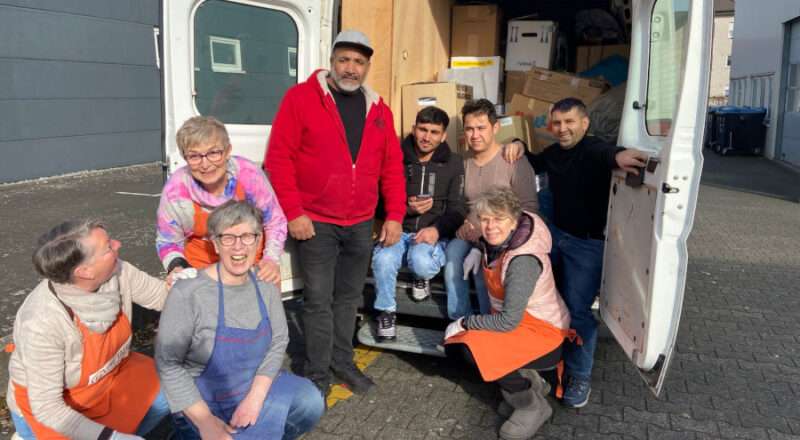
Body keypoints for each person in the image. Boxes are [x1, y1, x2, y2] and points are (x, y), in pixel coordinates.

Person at [265, 30, 405, 397]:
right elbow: (278, 160)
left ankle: (343, 362)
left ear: (367, 67)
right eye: (344, 59)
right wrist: (294, 212)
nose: (351, 68)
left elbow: (392, 166)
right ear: (332, 61)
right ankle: (316, 373)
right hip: (317, 221)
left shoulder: (379, 109)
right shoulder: (301, 99)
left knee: (348, 298)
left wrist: (394, 215)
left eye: (359, 62)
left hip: (360, 222)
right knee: (317, 300)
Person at [155, 200, 324, 440]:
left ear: (258, 241)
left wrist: (255, 399)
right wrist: (205, 422)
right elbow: (168, 364)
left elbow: (278, 340)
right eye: (228, 238)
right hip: (203, 402)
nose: (238, 247)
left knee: (310, 401)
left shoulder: (265, 283)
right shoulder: (188, 292)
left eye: (247, 236)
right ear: (214, 243)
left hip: (253, 385)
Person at [526, 97, 648, 408]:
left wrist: (619, 156)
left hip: (587, 245)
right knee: (538, 295)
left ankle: (579, 375)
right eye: (557, 123)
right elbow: (534, 162)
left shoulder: (594, 150)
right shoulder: (553, 154)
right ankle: (541, 357)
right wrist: (515, 144)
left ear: (584, 123)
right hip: (556, 236)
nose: (563, 129)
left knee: (579, 310)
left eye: (570, 122)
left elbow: (605, 153)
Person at [7, 220, 173, 440]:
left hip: (111, 377)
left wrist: (191, 284)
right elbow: (48, 407)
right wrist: (111, 437)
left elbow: (165, 298)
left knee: (175, 391)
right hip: (55, 407)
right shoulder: (41, 322)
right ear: (84, 271)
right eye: (108, 247)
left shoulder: (119, 272)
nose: (118, 244)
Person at [444, 187, 572, 440]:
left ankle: (531, 406)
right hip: (523, 325)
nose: (490, 226)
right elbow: (491, 243)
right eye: (485, 219)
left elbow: (507, 321)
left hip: (544, 332)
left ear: (514, 220)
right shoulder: (501, 241)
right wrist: (477, 249)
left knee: (471, 347)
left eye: (499, 219)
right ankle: (533, 386)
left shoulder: (523, 261)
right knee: (466, 343)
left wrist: (465, 321)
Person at [371, 106, 466, 340]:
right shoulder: (396, 157)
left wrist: (436, 229)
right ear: (414, 129)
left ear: (444, 135)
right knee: (383, 259)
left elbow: (458, 210)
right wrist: (405, 209)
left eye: (434, 132)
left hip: (432, 234)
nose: (427, 137)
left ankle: (421, 276)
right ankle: (386, 311)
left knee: (421, 260)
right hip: (398, 229)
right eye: (423, 130)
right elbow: (377, 202)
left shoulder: (454, 163)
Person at [157, 116, 287, 284]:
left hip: (253, 264)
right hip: (202, 268)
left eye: (214, 153)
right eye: (194, 156)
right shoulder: (176, 192)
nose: (205, 164)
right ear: (184, 158)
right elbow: (168, 241)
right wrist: (177, 267)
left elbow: (275, 221)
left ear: (227, 151)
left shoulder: (248, 175)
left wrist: (271, 260)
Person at [445, 99, 539, 319]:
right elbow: (456, 202)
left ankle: (490, 327)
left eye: (481, 128)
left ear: (495, 128)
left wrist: (489, 236)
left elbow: (530, 210)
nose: (475, 135)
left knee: (482, 273)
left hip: (501, 239)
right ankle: (459, 323)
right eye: (469, 129)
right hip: (469, 233)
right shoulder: (463, 163)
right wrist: (462, 225)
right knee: (451, 258)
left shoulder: (513, 160)